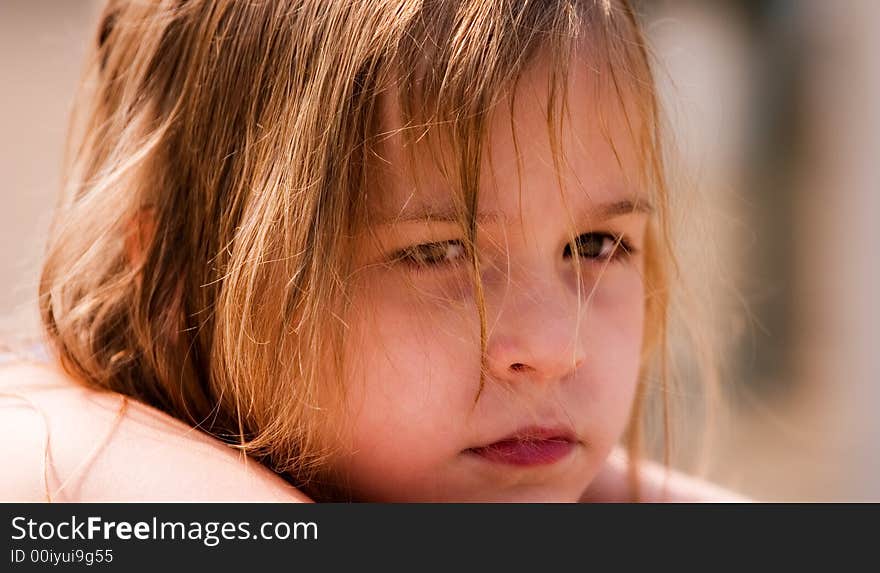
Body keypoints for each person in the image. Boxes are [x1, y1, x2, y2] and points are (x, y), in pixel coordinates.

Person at [1, 0, 747, 502]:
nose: (556, 346)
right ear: (175, 285)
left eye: (595, 244)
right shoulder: (55, 455)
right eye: (437, 252)